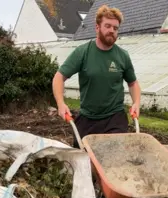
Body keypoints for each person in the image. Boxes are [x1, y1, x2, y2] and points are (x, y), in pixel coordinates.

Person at [52, 5, 141, 149]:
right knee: (82, 156)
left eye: (115, 28)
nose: (112, 30)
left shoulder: (122, 56)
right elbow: (59, 77)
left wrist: (136, 102)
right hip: (88, 117)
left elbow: (133, 83)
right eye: (108, 26)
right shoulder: (83, 52)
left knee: (112, 153)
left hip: (115, 117)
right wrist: (61, 103)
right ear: (97, 27)